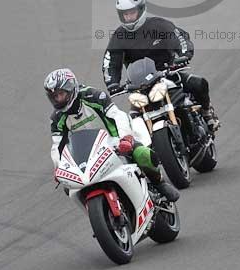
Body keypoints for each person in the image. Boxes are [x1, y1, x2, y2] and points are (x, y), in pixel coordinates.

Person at [44, 67, 179, 201]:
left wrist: (125, 138)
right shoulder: (57, 118)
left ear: (71, 88)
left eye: (61, 94)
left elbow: (118, 116)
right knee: (69, 187)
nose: (58, 99)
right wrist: (58, 167)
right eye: (54, 96)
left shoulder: (93, 96)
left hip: (115, 141)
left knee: (142, 154)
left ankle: (159, 183)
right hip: (87, 155)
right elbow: (57, 146)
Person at [102, 0, 221, 132]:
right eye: (125, 14)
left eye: (131, 13)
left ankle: (208, 113)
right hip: (140, 86)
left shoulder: (159, 26)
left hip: (168, 74)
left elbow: (180, 39)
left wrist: (183, 56)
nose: (128, 17)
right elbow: (110, 61)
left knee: (199, 83)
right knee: (133, 121)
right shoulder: (119, 37)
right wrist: (112, 83)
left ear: (140, 10)